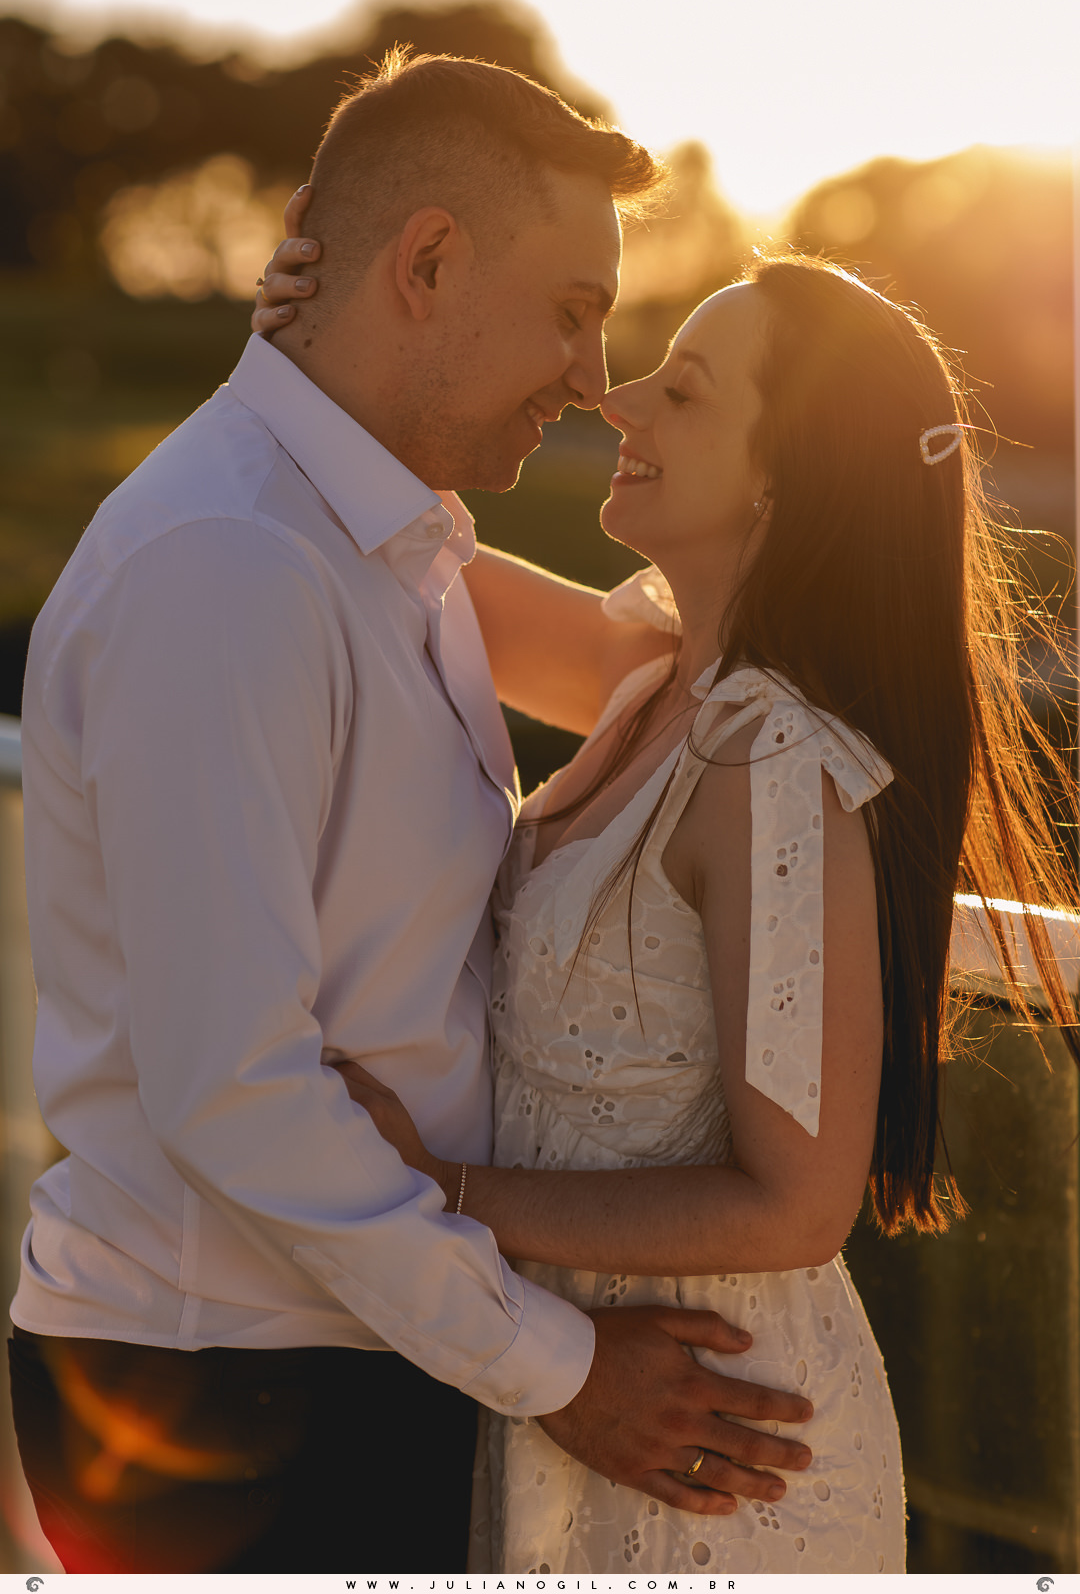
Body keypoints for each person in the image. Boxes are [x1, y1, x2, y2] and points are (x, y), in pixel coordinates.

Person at [7, 53, 815, 1576]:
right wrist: (562, 1370)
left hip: (350, 1354)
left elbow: (669, 670)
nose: (592, 376)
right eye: (573, 309)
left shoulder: (386, 541)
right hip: (228, 1403)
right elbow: (233, 1089)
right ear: (428, 263)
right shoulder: (232, 568)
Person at [258, 240, 1080, 1572]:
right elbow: (402, 556)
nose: (619, 399)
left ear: (783, 478)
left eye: (683, 391)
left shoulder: (775, 768)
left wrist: (440, 1187)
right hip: (586, 1381)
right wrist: (312, 354)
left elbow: (796, 1206)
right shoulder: (653, 677)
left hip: (718, 1441)